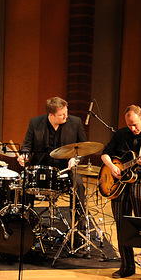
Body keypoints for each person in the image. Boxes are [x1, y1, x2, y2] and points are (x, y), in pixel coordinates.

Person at [101, 105, 141, 280]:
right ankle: (127, 266)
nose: (132, 128)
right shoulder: (121, 134)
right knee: (122, 225)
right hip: (121, 186)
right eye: (129, 125)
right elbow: (105, 154)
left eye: (135, 125)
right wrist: (113, 167)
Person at [17, 96, 88, 227]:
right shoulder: (35, 123)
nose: (66, 116)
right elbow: (27, 146)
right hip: (42, 165)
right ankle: (27, 222)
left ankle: (78, 225)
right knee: (24, 183)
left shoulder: (75, 122)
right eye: (61, 115)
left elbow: (84, 147)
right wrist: (24, 156)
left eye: (67, 112)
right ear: (51, 115)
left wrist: (75, 158)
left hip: (66, 167)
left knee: (78, 184)